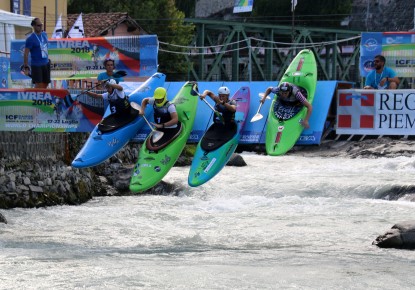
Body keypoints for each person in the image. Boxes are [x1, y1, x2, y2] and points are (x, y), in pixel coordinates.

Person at [23, 18, 50, 88]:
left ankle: (41, 98)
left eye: (41, 25)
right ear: (34, 26)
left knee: (46, 84)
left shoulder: (44, 34)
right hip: (36, 65)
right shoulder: (30, 39)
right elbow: (26, 53)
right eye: (39, 25)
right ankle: (35, 98)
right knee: (39, 85)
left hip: (46, 63)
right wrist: (26, 66)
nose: (41, 27)